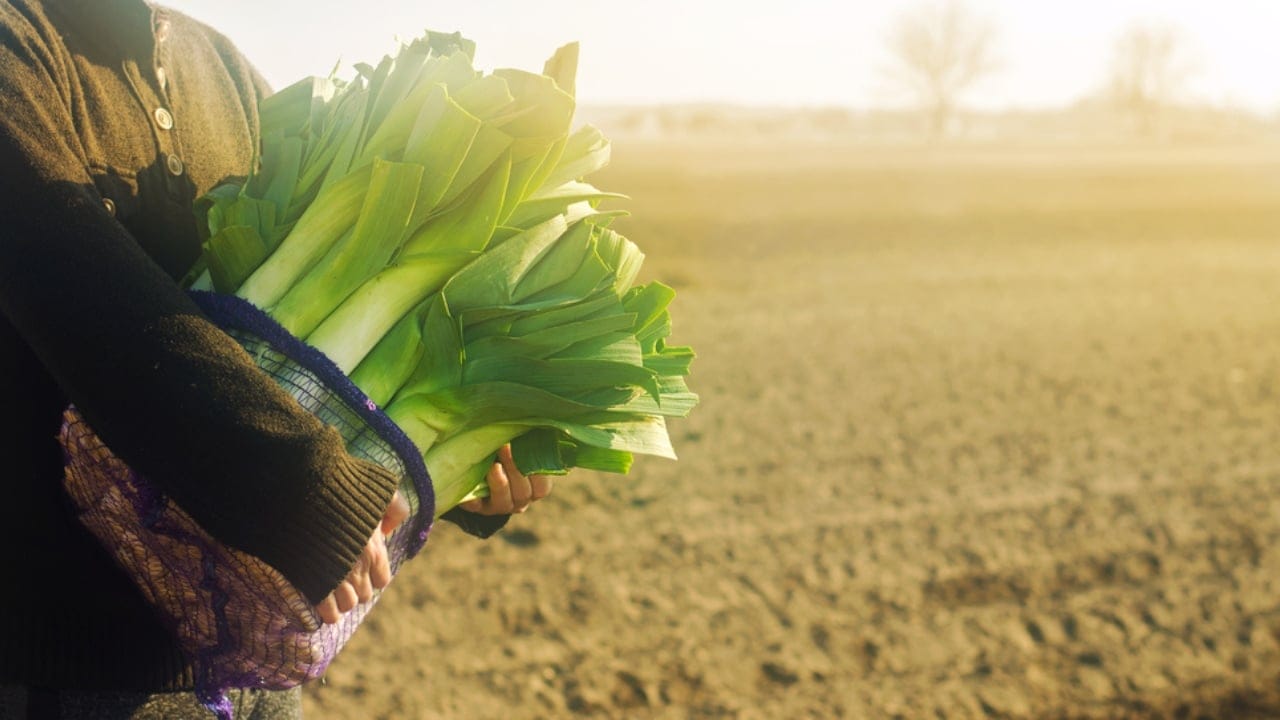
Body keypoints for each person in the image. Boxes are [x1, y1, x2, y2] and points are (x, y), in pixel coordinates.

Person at [0, 1, 551, 717]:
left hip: (257, 659)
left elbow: (302, 350)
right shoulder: (18, 45)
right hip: (74, 664)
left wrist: (442, 469)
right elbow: (80, 294)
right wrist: (306, 485)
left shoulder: (224, 68)